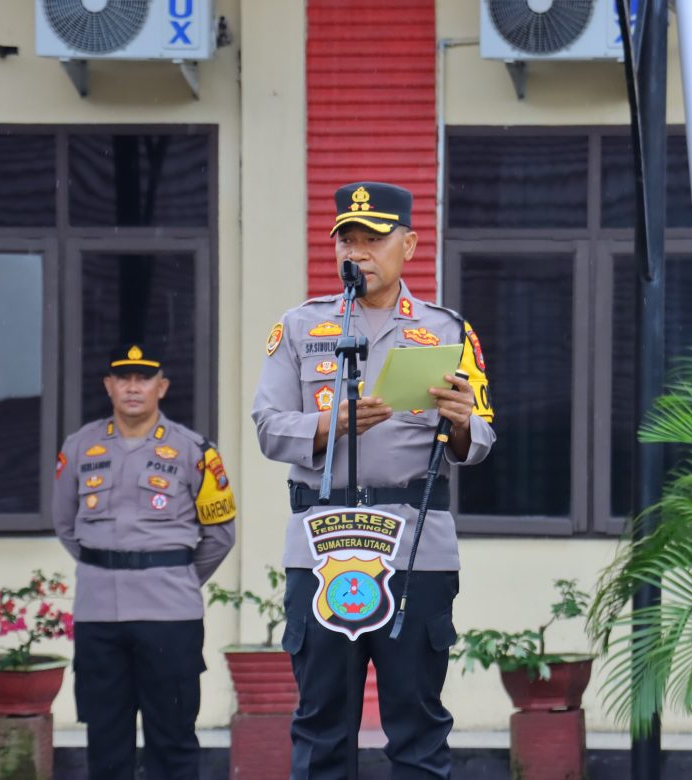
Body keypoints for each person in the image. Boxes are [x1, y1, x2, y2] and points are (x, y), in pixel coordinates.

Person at [252, 181, 496, 779]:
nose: (357, 253)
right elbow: (267, 426)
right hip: (324, 542)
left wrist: (463, 422)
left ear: (408, 245)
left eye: (372, 240)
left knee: (416, 724)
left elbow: (480, 442)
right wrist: (325, 426)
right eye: (347, 240)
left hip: (415, 547)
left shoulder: (448, 331)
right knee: (322, 723)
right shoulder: (301, 327)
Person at [53, 344, 237, 779]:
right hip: (99, 615)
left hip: (169, 615)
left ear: (163, 387)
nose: (133, 387)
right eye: (123, 378)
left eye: (144, 378)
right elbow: (65, 525)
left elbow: (220, 535)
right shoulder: (79, 447)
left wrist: (171, 573)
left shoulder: (195, 452)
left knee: (172, 738)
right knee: (105, 739)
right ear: (108, 386)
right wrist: (111, 566)